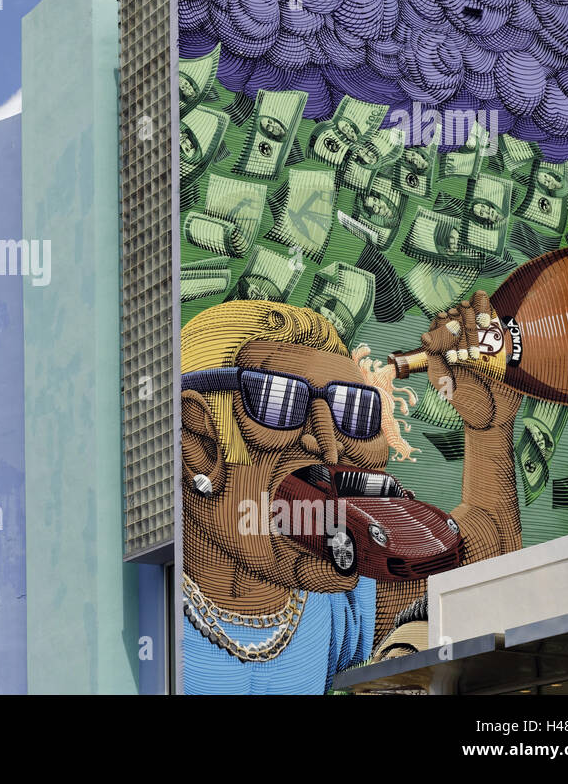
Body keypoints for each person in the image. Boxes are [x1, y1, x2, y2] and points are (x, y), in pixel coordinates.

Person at [180, 294, 524, 693]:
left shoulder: (328, 604)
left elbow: (481, 565)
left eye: (355, 410)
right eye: (279, 401)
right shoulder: (138, 603)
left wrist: (489, 427)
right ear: (199, 441)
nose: (330, 445)